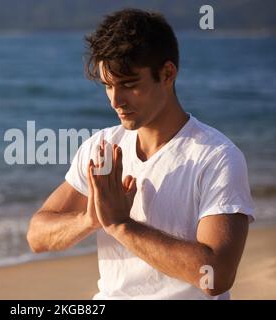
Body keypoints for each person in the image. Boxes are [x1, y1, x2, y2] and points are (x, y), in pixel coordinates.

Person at [26, 8, 255, 299]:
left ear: (167, 74)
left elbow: (216, 275)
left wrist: (122, 225)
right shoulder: (102, 147)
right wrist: (91, 219)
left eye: (129, 85)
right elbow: (37, 236)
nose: (116, 101)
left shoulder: (217, 157)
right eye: (108, 85)